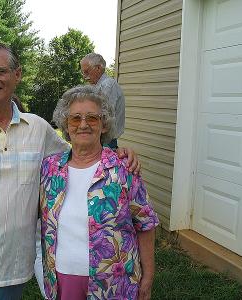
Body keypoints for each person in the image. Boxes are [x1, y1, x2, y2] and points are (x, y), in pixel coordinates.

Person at [0, 42, 141, 300]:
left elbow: (81, 153)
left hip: (15, 271)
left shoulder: (37, 128)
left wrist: (117, 155)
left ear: (18, 74)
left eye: (1, 71)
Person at [40, 85, 159, 300]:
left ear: (104, 125)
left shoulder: (123, 168)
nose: (83, 124)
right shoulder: (50, 168)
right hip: (62, 277)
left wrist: (148, 276)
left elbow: (145, 223)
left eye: (92, 118)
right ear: (67, 125)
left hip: (115, 281)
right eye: (75, 118)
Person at [80, 53, 125, 149]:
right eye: (83, 72)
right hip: (101, 137)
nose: (84, 76)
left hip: (106, 140)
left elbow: (103, 115)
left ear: (98, 68)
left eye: (87, 72)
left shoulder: (108, 85)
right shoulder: (99, 85)